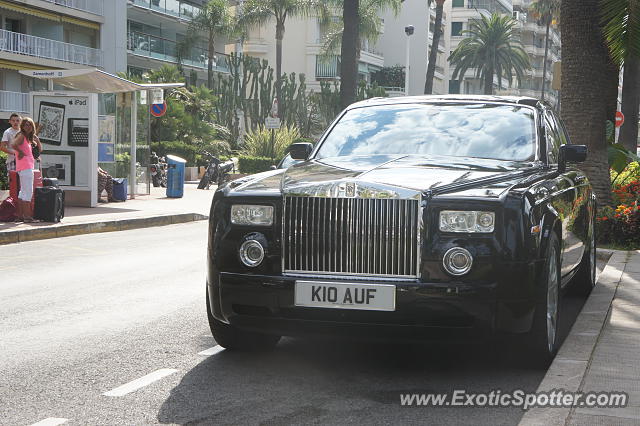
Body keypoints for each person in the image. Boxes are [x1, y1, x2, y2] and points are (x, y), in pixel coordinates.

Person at [11, 117, 42, 222]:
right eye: (25, 125)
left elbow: (39, 150)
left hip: (24, 167)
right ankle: (27, 217)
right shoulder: (22, 136)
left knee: (23, 192)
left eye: (29, 125)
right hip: (26, 167)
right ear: (22, 126)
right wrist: (20, 152)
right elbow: (13, 144)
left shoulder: (28, 138)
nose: (27, 127)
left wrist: (37, 140)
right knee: (28, 192)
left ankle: (20, 216)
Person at [1, 113, 21, 177]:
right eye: (13, 120)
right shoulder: (7, 132)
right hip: (12, 161)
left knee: (24, 182)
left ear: (21, 121)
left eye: (17, 120)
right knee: (13, 183)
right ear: (9, 121)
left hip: (24, 161)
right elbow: (2, 147)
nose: (15, 122)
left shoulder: (23, 131)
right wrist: (14, 152)